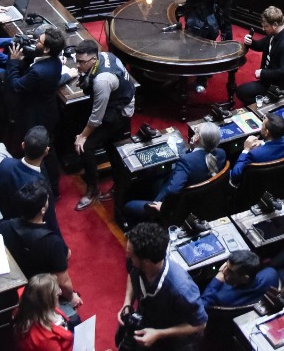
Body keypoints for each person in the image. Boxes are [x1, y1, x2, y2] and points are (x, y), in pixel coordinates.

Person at [119, 222, 207, 350]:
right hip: (146, 324)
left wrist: (159, 334)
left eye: (130, 255)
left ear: (147, 261)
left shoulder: (181, 288)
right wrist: (127, 303)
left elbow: (200, 324)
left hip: (171, 341)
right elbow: (132, 276)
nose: (127, 256)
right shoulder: (135, 261)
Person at [73, 39, 135, 210]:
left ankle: (93, 190)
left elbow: (96, 118)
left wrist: (82, 136)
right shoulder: (104, 55)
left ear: (94, 59)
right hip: (117, 101)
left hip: (119, 111)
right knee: (112, 147)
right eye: (77, 60)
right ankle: (119, 184)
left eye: (81, 62)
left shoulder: (102, 80)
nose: (78, 65)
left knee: (85, 147)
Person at [234, 5, 284, 104]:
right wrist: (251, 42)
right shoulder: (275, 33)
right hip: (269, 80)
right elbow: (261, 45)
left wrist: (263, 73)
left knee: (242, 92)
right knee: (241, 91)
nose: (263, 29)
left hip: (280, 87)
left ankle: (271, 102)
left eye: (265, 26)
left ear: (275, 25)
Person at [13, 273, 75, 351]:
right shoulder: (45, 340)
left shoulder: (31, 300)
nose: (60, 292)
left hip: (63, 333)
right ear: (47, 301)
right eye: (56, 294)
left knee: (75, 319)